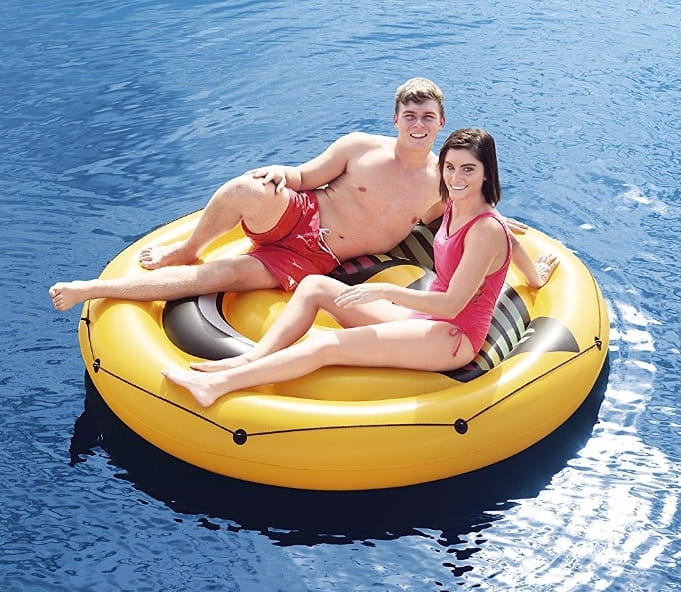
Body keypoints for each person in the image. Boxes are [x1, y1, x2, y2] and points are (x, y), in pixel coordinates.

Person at [48, 78, 555, 312]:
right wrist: (281, 172)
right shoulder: (359, 147)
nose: (418, 125)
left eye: (427, 117)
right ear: (396, 119)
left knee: (220, 277)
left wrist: (514, 243)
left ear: (441, 123)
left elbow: (473, 219)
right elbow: (305, 176)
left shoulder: (444, 180)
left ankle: (91, 289)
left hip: (316, 258)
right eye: (410, 116)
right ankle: (188, 246)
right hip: (301, 213)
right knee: (246, 187)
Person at [162, 127, 550, 408]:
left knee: (326, 345)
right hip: (422, 319)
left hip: (451, 337)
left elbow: (451, 304)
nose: (456, 177)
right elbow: (513, 245)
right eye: (450, 167)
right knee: (314, 286)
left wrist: (384, 291)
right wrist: (535, 276)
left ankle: (217, 386)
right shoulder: (455, 206)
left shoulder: (484, 229)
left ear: (486, 173)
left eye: (468, 170)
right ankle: (251, 357)